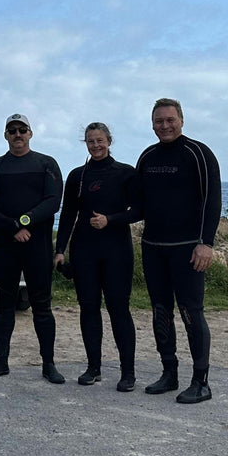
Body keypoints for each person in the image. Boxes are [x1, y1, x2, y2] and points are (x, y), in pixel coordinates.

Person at [136, 98, 221, 404]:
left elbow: (212, 200)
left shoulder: (198, 153)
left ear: (181, 121)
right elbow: (137, 203)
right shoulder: (147, 157)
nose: (165, 126)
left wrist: (206, 243)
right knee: (161, 311)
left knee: (190, 312)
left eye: (170, 120)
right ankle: (169, 373)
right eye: (159, 121)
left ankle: (201, 381)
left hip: (188, 249)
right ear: (152, 124)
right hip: (153, 247)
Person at [0, 113, 64, 384]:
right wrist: (13, 226)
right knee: (4, 305)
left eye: (22, 130)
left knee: (42, 306)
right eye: (12, 130)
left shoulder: (46, 164)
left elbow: (53, 200)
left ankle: (48, 364)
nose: (17, 134)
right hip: (6, 244)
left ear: (30, 133)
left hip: (38, 245)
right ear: (5, 135)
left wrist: (26, 221)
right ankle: (1, 361)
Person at [55, 122, 140, 392]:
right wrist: (60, 250)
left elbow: (138, 210)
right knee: (88, 308)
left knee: (119, 309)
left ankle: (128, 373)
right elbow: (68, 214)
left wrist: (110, 220)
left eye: (100, 140)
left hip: (117, 250)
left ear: (109, 141)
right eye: (91, 141)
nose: (96, 145)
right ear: (86, 144)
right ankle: (94, 368)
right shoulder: (78, 176)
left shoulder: (125, 173)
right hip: (84, 250)